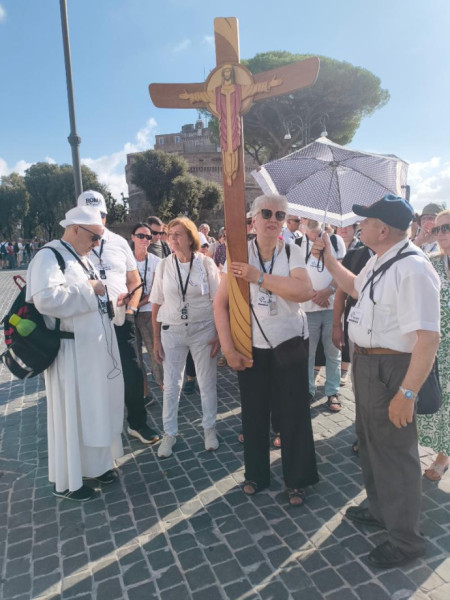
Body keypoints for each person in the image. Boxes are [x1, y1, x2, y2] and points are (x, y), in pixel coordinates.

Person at [312, 194, 440, 568]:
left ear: (382, 230)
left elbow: (428, 338)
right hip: (369, 365)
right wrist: (330, 261)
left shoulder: (413, 268)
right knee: (370, 444)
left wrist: (407, 393)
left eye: (366, 222)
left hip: (393, 369)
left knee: (395, 455)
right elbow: (355, 287)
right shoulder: (381, 258)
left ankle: (406, 540)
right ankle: (380, 509)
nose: (360, 226)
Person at [214, 193, 318, 507]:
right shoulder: (239, 254)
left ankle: (297, 479)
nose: (273, 220)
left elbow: (304, 291)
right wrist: (228, 348)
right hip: (251, 346)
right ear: (254, 219)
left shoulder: (292, 251)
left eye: (280, 215)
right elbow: (220, 304)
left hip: (289, 343)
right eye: (267, 213)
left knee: (294, 414)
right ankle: (256, 474)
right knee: (254, 414)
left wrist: (258, 277)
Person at [26, 206, 125, 501]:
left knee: (96, 408)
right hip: (70, 352)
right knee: (74, 414)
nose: (97, 243)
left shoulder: (81, 256)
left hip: (93, 350)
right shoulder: (49, 255)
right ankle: (69, 480)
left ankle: (97, 465)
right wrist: (89, 288)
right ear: (75, 229)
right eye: (94, 237)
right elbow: (45, 299)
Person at [78, 190, 160, 445]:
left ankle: (137, 423)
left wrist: (132, 310)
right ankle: (98, 431)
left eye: (100, 214)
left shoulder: (118, 242)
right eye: (89, 214)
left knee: (133, 372)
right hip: (88, 322)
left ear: (105, 215)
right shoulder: (73, 245)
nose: (96, 219)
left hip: (122, 319)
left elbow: (134, 281)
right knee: (95, 376)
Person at [150, 217, 221, 458]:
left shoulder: (206, 264)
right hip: (172, 330)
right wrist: (156, 339)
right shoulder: (164, 265)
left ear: (190, 238)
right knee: (171, 385)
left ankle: (209, 429)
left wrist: (219, 334)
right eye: (170, 234)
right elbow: (156, 303)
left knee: (207, 382)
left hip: (204, 329)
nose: (172, 239)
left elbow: (218, 301)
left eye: (178, 234)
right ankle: (169, 433)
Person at [297, 220, 346, 410]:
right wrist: (314, 295)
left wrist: (328, 291)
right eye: (313, 233)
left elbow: (341, 271)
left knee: (333, 352)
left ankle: (332, 391)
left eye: (318, 232)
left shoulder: (335, 241)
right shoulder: (297, 244)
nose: (316, 236)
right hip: (307, 308)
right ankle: (307, 390)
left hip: (331, 307)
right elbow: (296, 275)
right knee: (307, 353)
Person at [417, 210, 450, 481]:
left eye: (446, 228)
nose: (441, 234)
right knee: (437, 398)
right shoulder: (431, 263)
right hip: (435, 345)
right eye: (437, 229)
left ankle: (443, 456)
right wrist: (420, 238)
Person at [130, 222, 164, 404]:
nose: (145, 239)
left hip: (148, 311)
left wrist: (135, 304)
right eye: (140, 235)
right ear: (132, 237)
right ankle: (144, 393)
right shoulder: (125, 261)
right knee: (135, 356)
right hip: (129, 313)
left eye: (148, 237)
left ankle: (166, 389)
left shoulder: (157, 262)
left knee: (156, 352)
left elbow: (155, 293)